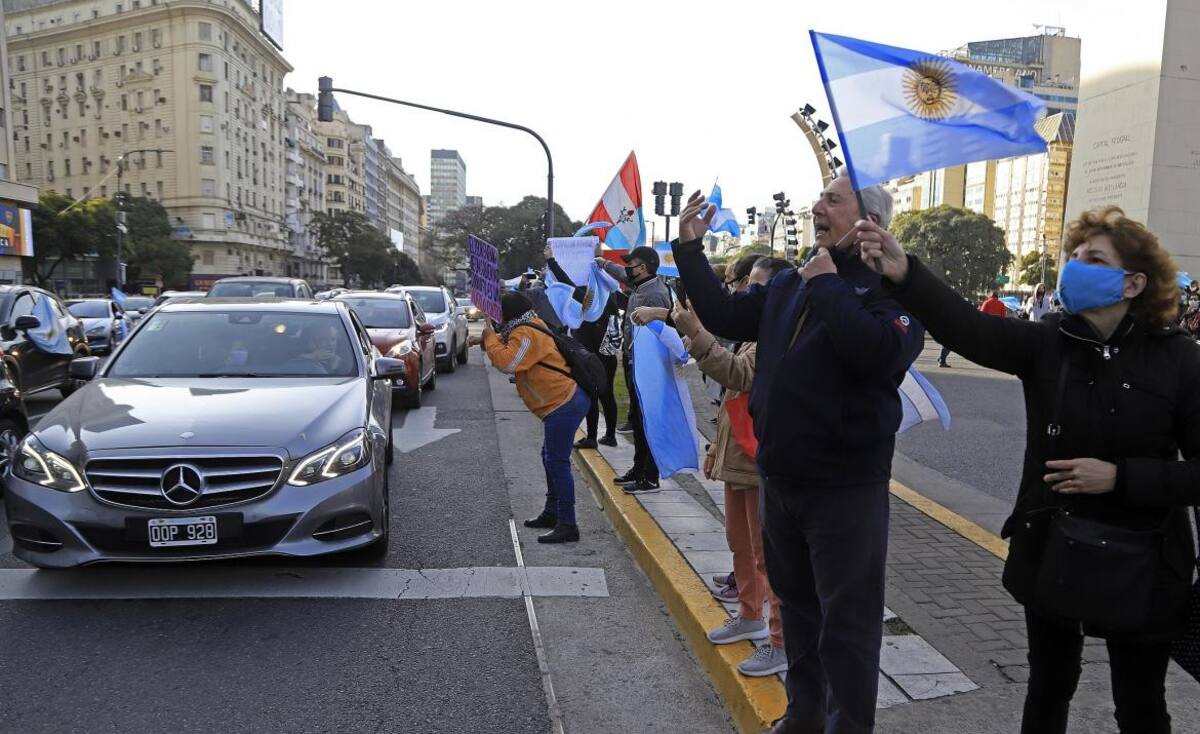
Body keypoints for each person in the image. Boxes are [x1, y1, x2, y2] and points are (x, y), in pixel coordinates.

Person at [860, 205, 1200, 734]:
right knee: (1048, 688)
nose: (1075, 267)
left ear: (1133, 283)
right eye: (1074, 256)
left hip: (1146, 563)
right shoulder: (1047, 342)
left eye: (1094, 259)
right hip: (1053, 549)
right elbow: (968, 328)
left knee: (1140, 706)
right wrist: (905, 272)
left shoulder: (1179, 359)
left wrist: (1120, 477)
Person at [673, 170, 924, 734]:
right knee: (798, 611)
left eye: (832, 200)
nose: (817, 207)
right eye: (818, 198)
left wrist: (829, 284)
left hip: (845, 488)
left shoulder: (891, 291)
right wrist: (689, 250)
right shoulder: (790, 283)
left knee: (848, 624)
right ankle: (804, 714)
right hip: (780, 478)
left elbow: (878, 353)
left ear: (869, 222)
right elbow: (726, 315)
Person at [636, 255, 793, 678]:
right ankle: (749, 614)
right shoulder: (752, 333)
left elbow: (738, 376)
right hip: (738, 457)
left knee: (768, 556)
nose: (743, 292)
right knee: (739, 543)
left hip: (760, 462)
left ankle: (781, 641)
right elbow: (730, 403)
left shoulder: (774, 337)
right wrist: (714, 452)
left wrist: (694, 332)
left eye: (754, 286)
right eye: (744, 284)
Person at [472, 291, 591, 544]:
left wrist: (489, 336)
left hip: (563, 402)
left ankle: (568, 524)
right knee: (550, 458)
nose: (498, 318)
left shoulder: (526, 332)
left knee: (557, 462)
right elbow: (508, 345)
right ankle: (552, 513)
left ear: (509, 314)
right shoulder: (525, 326)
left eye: (499, 313)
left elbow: (508, 362)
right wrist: (484, 339)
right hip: (559, 403)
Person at [597, 245, 673, 494]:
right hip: (635, 361)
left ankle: (650, 477)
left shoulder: (655, 295)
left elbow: (661, 334)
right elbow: (620, 273)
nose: (627, 268)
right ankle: (638, 468)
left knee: (647, 422)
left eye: (631, 264)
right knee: (638, 422)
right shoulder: (642, 286)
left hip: (649, 366)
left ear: (643, 267)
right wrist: (603, 263)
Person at [543, 245, 622, 448]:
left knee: (591, 395)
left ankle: (592, 437)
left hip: (590, 357)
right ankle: (610, 436)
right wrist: (598, 260)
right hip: (608, 354)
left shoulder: (591, 302)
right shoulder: (612, 297)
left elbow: (566, 283)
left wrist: (551, 260)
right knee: (607, 395)